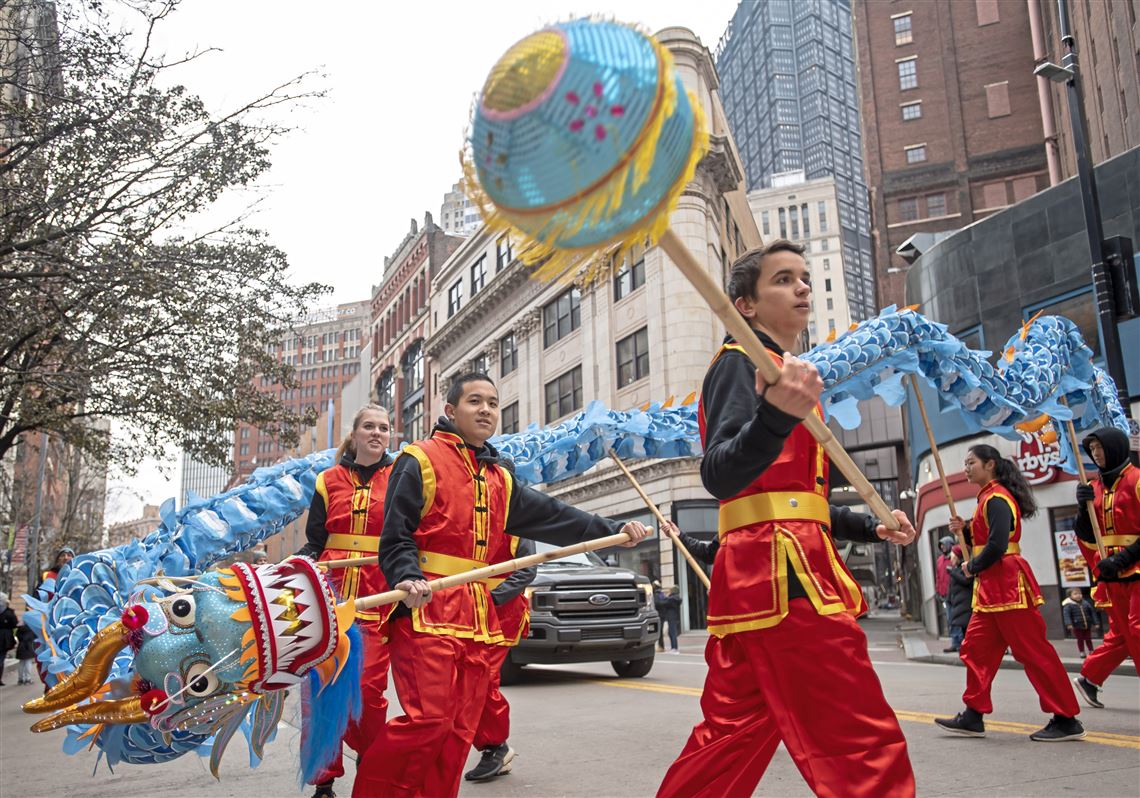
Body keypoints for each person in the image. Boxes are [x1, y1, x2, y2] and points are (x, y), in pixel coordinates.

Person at [657, 242, 919, 798]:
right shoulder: (740, 364)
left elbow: (799, 499)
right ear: (744, 305)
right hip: (783, 575)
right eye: (783, 279)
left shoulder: (785, 375)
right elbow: (721, 474)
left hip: (775, 570)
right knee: (857, 734)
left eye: (804, 276)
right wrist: (776, 415)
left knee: (732, 734)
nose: (802, 287)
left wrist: (870, 525)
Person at [357, 373, 651, 798]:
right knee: (428, 721)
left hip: (479, 616)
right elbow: (396, 534)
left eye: (493, 403)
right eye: (475, 401)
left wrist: (615, 528)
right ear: (450, 411)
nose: (486, 410)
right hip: (428, 609)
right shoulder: (417, 459)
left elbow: (555, 515)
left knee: (458, 730)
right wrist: (407, 574)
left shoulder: (500, 477)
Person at [935, 444, 1084, 741]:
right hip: (991, 588)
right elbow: (986, 538)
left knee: (1033, 652)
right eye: (965, 463)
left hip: (1007, 584)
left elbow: (998, 544)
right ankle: (973, 714)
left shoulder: (997, 498)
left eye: (971, 462)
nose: (966, 468)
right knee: (976, 650)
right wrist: (964, 530)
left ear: (990, 464)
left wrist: (971, 566)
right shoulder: (988, 498)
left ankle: (1066, 717)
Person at [295, 403, 396, 798]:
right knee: (321, 690)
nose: (376, 433)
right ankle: (324, 780)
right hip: (328, 602)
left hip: (378, 602)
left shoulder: (403, 477)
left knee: (368, 693)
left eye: (384, 428)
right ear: (354, 435)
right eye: (369, 426)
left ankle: (372, 765)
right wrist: (293, 568)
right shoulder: (327, 480)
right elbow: (315, 542)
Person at [464, 533, 537, 783]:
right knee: (464, 678)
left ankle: (496, 745)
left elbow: (527, 569)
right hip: (462, 607)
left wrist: (492, 598)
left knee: (483, 678)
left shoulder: (516, 519)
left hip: (500, 611)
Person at [1074, 427, 1140, 671]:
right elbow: (1086, 535)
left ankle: (1089, 677)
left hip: (1135, 568)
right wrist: (1083, 507)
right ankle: (1089, 677)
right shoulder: (1095, 489)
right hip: (1112, 574)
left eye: (1099, 447)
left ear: (1114, 446)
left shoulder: (1137, 480)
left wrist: (1122, 559)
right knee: (1127, 634)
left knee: (1137, 628)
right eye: (1091, 449)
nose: (1095, 453)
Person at [945, 545, 973, 654]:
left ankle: (966, 647)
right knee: (962, 627)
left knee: (966, 628)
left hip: (964, 603)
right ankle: (963, 646)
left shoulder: (963, 568)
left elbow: (966, 580)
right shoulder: (956, 569)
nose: (950, 558)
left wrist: (952, 572)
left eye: (952, 556)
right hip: (958, 603)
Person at [1062, 588, 1098, 659]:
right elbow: (1067, 615)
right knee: (1080, 639)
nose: (1078, 595)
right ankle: (1082, 651)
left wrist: (1095, 622)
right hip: (1077, 625)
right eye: (1075, 594)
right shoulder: (1068, 605)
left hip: (1087, 624)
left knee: (1088, 639)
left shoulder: (1085, 603)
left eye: (1079, 594)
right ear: (1070, 596)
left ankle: (1091, 650)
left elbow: (1092, 613)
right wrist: (1069, 624)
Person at [935, 534, 954, 635]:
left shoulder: (954, 557)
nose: (942, 547)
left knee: (956, 618)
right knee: (949, 618)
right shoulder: (940, 560)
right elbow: (938, 577)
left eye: (944, 545)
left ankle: (959, 641)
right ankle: (955, 641)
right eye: (941, 546)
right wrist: (938, 591)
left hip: (955, 593)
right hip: (945, 594)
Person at [16, 616, 38, 685]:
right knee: (28, 663)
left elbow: (18, 636)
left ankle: (20, 679)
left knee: (21, 663)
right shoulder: (31, 629)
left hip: (21, 646)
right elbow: (35, 637)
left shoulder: (20, 629)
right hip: (28, 647)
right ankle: (28, 679)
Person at [0, 593, 16, 687]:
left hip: (4, 637)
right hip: (4, 638)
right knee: (1, 658)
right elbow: (14, 623)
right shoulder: (8, 612)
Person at [662, 586, 683, 654]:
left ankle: (674, 648)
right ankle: (673, 648)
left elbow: (664, 603)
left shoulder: (671, 599)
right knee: (672, 633)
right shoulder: (675, 598)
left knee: (672, 633)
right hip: (674, 617)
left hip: (671, 617)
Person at [653, 580, 667, 651]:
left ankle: (661, 646)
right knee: (660, 631)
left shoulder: (656, 594)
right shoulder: (662, 594)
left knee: (659, 631)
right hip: (662, 614)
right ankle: (661, 646)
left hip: (659, 615)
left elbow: (657, 603)